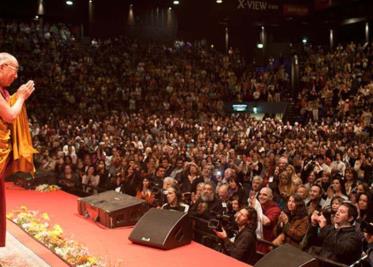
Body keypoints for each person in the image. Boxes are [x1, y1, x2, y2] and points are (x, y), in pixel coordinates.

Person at [0, 52, 36, 247]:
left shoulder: (3, 92)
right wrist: (21, 97)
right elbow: (10, 115)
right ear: (2, 66)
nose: (15, 76)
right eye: (14, 71)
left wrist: (16, 97)